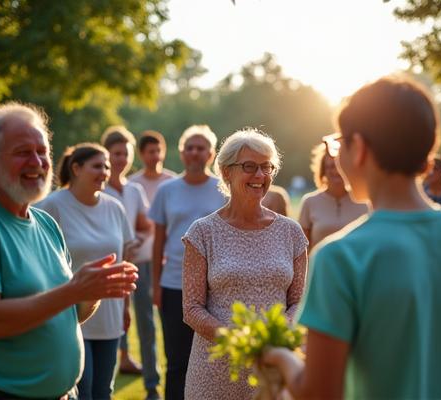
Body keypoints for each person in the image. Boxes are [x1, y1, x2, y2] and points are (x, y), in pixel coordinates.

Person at [262, 76, 441, 399]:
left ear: (360, 149)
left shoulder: (340, 257)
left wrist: (281, 358)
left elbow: (319, 392)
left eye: (339, 144)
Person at [0, 102, 137, 399]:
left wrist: (92, 291)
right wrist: (74, 290)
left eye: (42, 151)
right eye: (23, 152)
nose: (37, 161)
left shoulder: (46, 223)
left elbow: (67, 313)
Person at [182, 128, 308, 400]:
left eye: (267, 167)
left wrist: (269, 342)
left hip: (274, 369)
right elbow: (191, 308)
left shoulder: (292, 233)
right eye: (249, 167)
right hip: (214, 370)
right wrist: (239, 342)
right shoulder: (202, 232)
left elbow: (299, 302)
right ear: (226, 172)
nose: (260, 176)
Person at [36, 143, 135, 400]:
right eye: (97, 166)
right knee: (83, 391)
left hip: (110, 314)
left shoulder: (115, 208)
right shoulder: (52, 206)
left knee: (104, 391)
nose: (104, 172)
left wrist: (125, 307)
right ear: (76, 168)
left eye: (107, 166)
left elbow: (123, 259)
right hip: (70, 315)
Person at [149, 125, 227, 400]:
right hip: (173, 285)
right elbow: (158, 241)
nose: (195, 153)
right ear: (181, 153)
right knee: (177, 360)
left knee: (214, 360)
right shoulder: (166, 190)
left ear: (211, 154)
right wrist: (156, 285)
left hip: (215, 286)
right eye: (189, 148)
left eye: (201, 148)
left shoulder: (223, 190)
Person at [100, 126, 161, 399]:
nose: (121, 159)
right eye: (116, 153)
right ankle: (104, 388)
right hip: (110, 267)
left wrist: (134, 241)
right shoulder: (97, 188)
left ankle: (151, 386)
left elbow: (147, 225)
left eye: (125, 153)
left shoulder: (134, 190)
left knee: (146, 325)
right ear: (106, 155)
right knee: (111, 328)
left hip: (140, 264)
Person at [298, 142, 368, 250]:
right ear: (323, 171)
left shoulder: (364, 202)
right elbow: (302, 249)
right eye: (331, 166)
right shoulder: (309, 202)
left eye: (339, 166)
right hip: (321, 266)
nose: (336, 171)